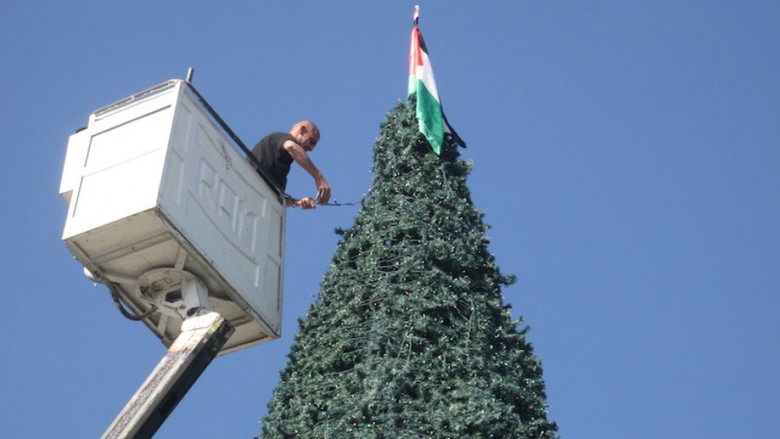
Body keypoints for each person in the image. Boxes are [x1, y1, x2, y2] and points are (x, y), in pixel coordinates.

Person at [251, 120, 331, 209]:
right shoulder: (278, 137)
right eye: (311, 141)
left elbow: (275, 199)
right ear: (302, 130)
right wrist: (319, 177)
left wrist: (297, 202)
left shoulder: (282, 163)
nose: (310, 148)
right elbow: (291, 146)